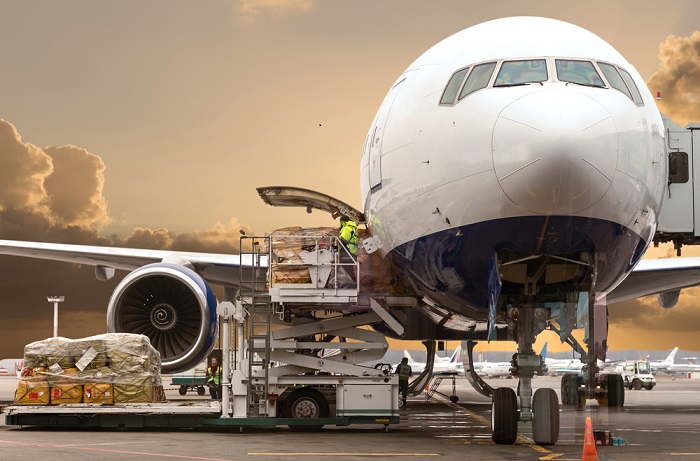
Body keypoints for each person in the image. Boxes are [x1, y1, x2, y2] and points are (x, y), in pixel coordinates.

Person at [338, 216, 359, 286]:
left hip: (348, 251)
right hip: (353, 251)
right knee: (349, 268)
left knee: (346, 268)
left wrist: (335, 245)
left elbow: (343, 240)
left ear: (343, 221)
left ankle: (351, 283)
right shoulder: (352, 228)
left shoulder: (346, 228)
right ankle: (353, 282)